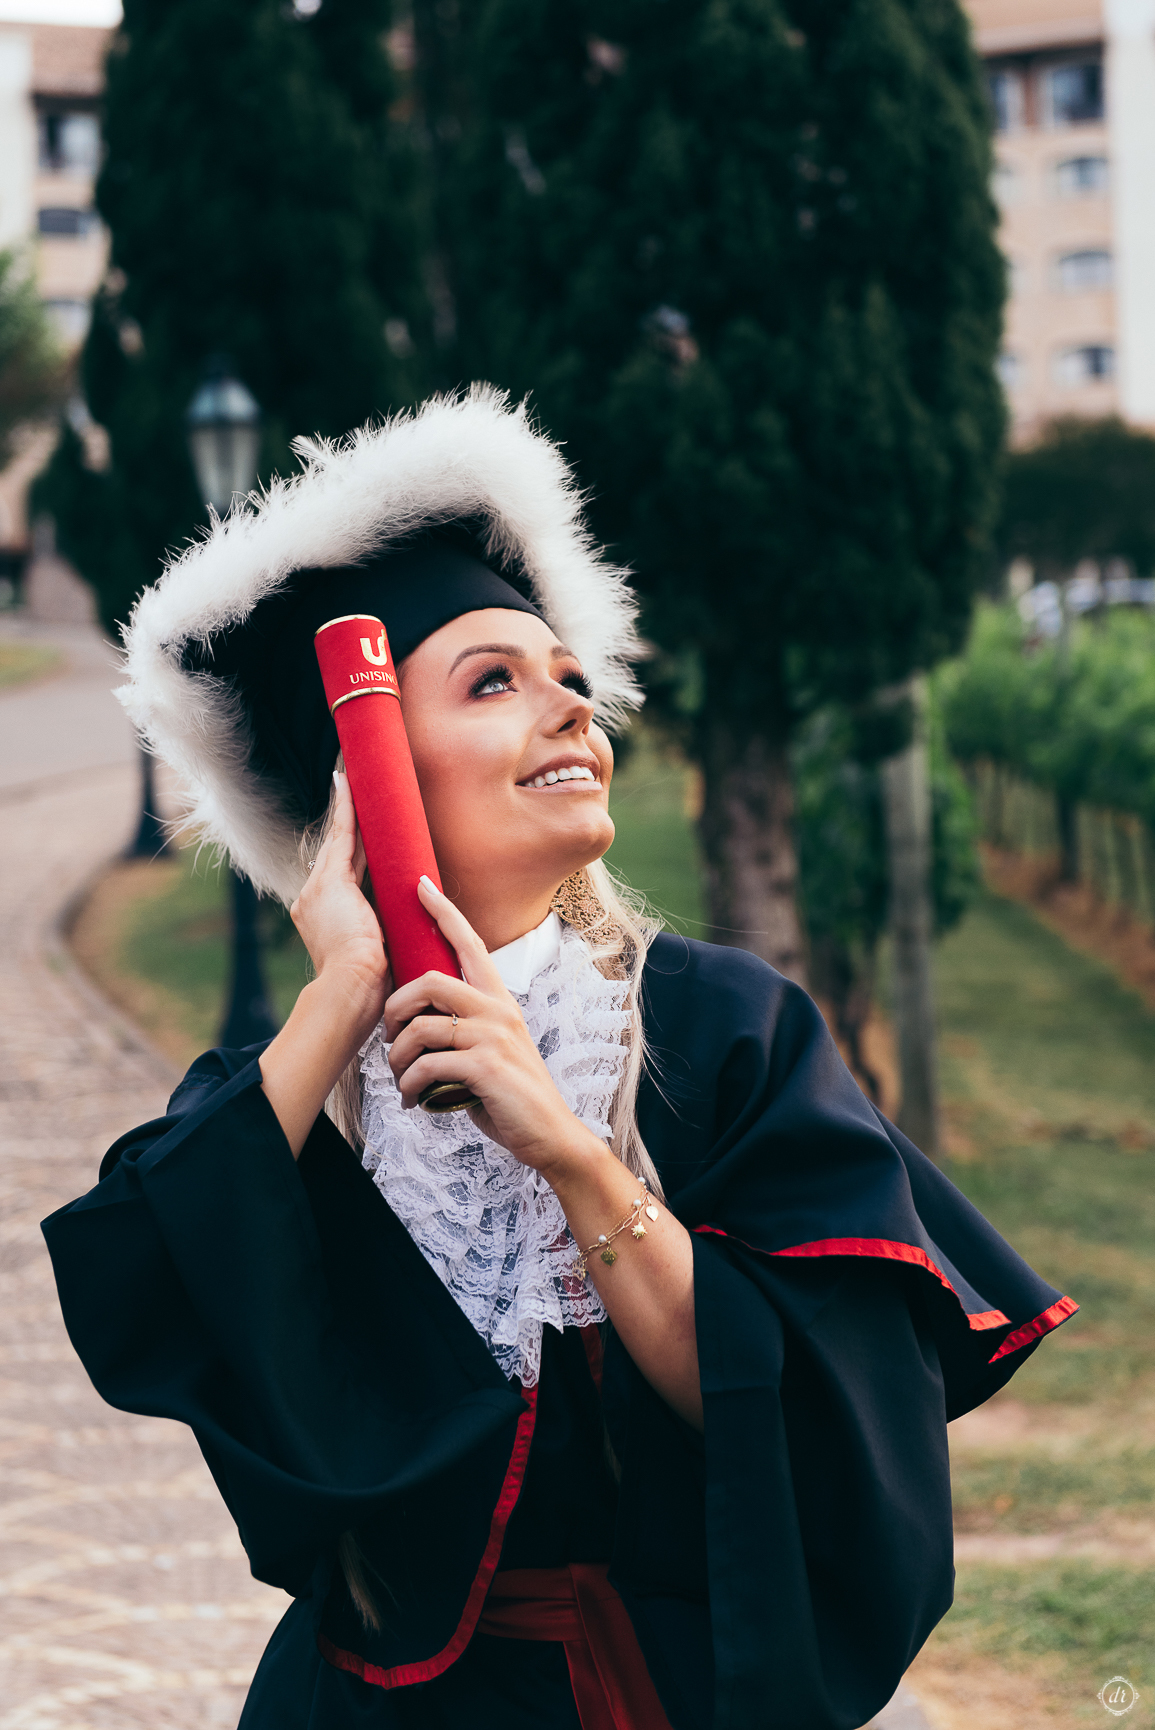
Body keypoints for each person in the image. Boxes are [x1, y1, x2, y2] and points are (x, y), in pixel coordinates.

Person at [43, 387, 1076, 1730]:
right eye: (495, 680)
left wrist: (575, 1154)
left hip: (641, 1699)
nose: (572, 708)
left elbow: (810, 1412)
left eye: (571, 679)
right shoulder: (308, 1096)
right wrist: (348, 985)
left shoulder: (722, 1029)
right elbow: (140, 1277)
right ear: (373, 768)